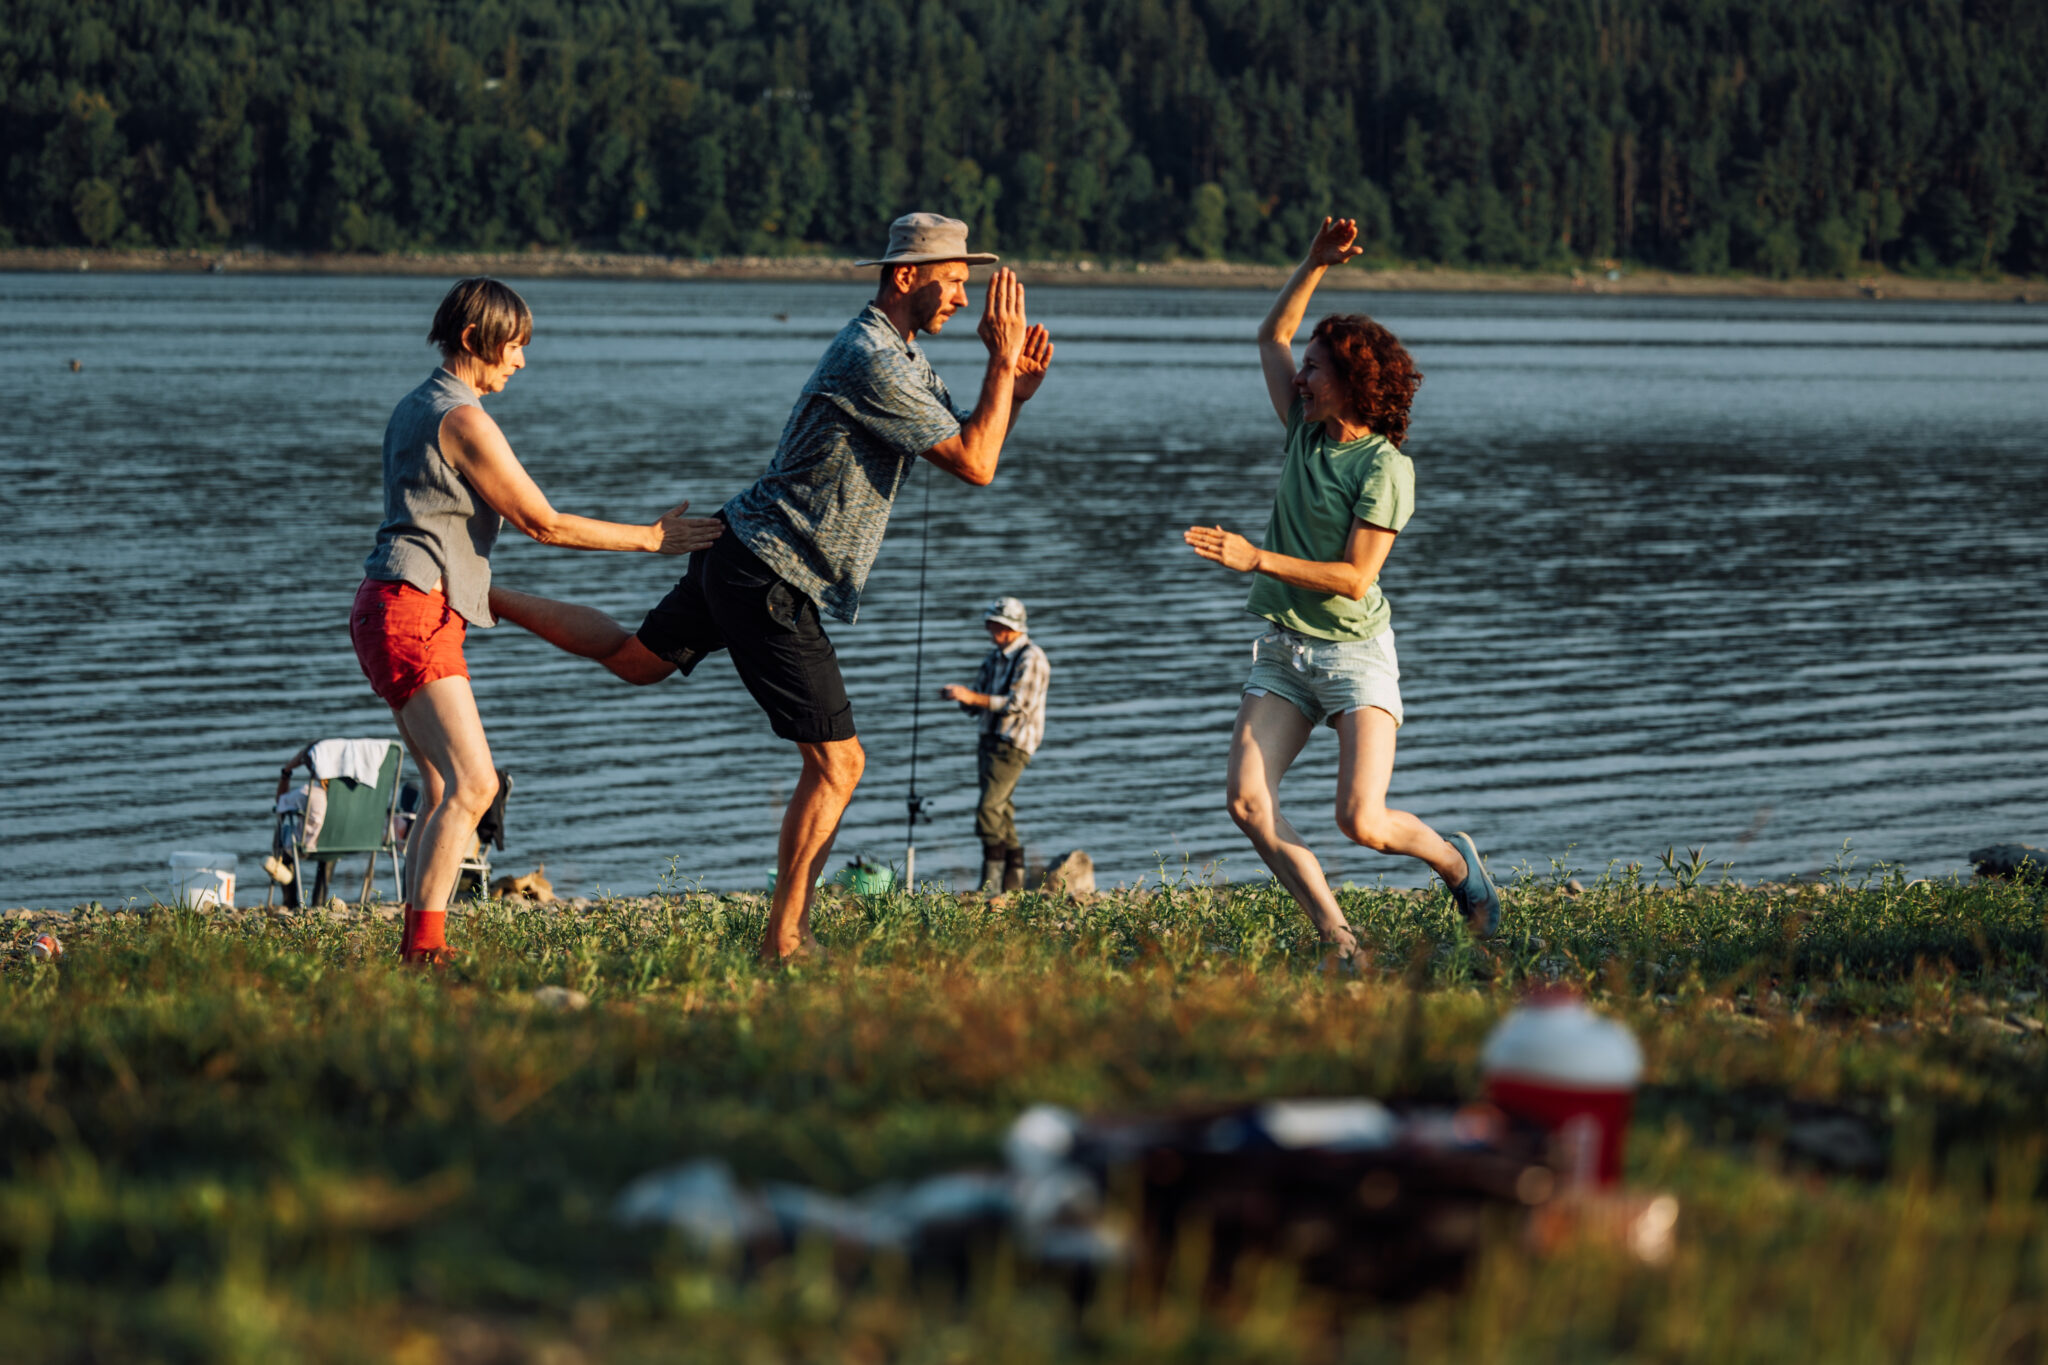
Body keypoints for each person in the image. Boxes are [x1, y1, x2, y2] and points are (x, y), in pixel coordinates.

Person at [490, 213, 1055, 961]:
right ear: (905, 277)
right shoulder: (873, 360)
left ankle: (486, 597)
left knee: (635, 659)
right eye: (953, 282)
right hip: (769, 572)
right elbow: (977, 464)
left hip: (741, 550)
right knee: (839, 762)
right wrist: (1001, 363)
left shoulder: (903, 358)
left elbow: (973, 436)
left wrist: (1013, 391)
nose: (963, 297)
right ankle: (785, 939)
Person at [352, 277, 722, 965]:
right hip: (413, 611)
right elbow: (542, 522)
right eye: (515, 346)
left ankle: (416, 945)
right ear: (474, 341)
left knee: (440, 787)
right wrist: (649, 538)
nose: (521, 361)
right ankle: (421, 950)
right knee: (475, 784)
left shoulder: (414, 404)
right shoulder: (462, 419)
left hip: (388, 603)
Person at [1183, 216, 1503, 957]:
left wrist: (1255, 558)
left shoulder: (1385, 469)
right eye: (1307, 367)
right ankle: (1340, 938)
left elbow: (1357, 579)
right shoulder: (1302, 427)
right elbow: (1270, 335)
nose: (1301, 375)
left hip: (1355, 656)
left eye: (1316, 368)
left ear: (1353, 382)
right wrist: (1315, 262)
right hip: (1285, 652)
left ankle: (1457, 864)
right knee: (1247, 803)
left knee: (1362, 820)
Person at [940, 596, 1051, 892]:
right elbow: (979, 701)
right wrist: (960, 697)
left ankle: (989, 886)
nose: (990, 630)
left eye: (995, 624)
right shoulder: (993, 658)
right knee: (1002, 810)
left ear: (1010, 627)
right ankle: (1013, 886)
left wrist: (971, 697)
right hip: (988, 739)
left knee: (988, 811)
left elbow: (1018, 705)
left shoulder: (1032, 657)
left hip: (1013, 744)